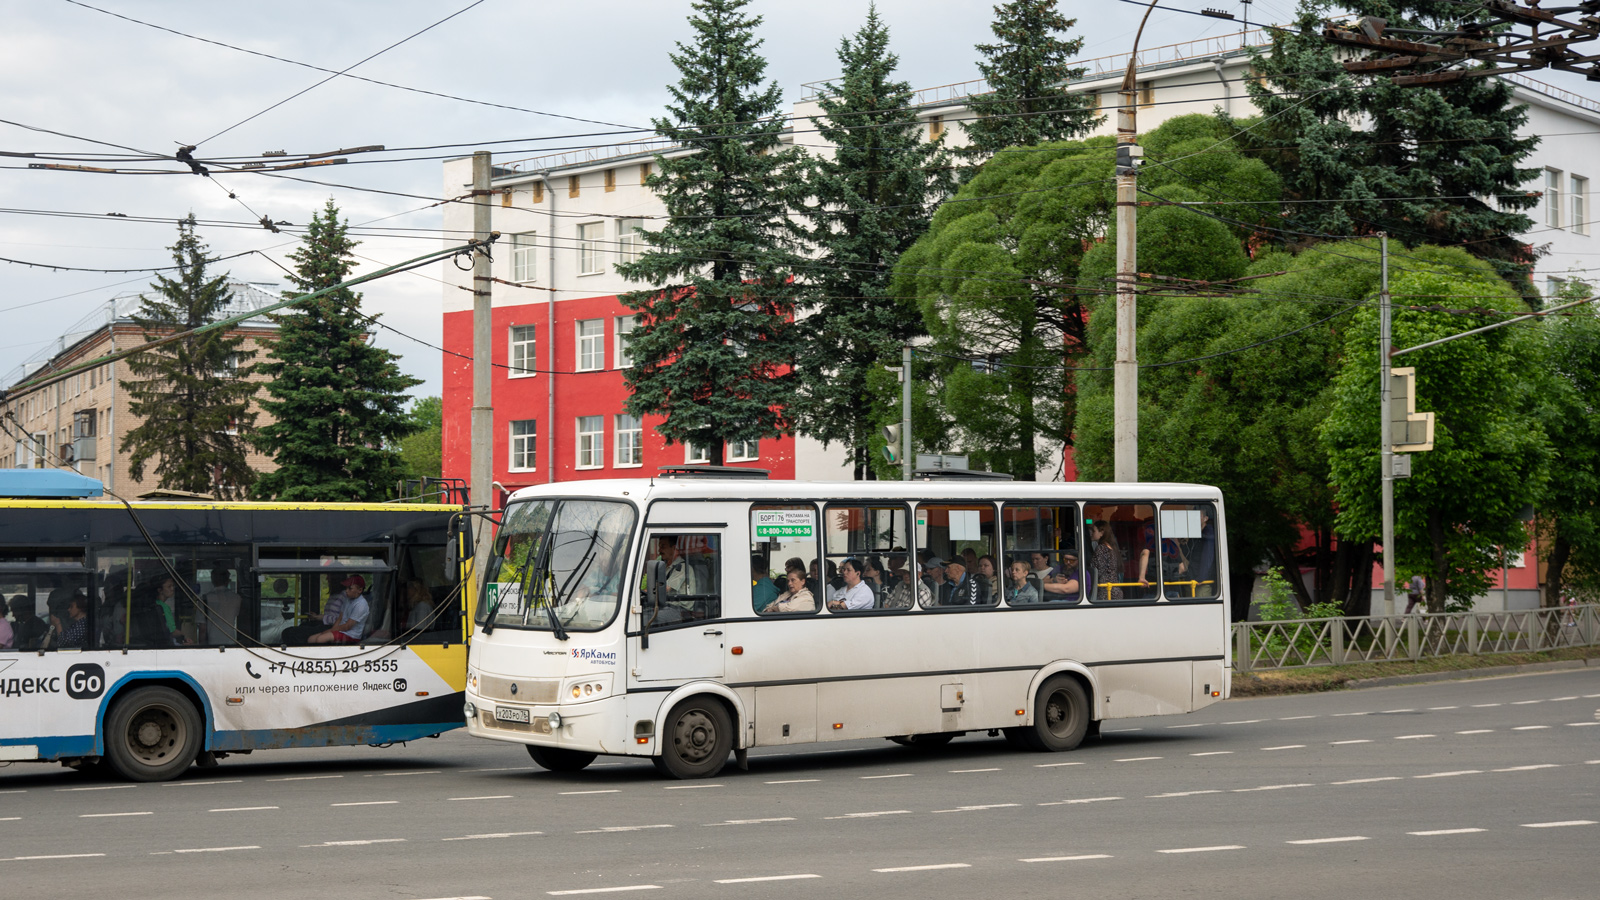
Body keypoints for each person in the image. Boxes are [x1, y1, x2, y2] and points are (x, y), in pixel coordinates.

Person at [286, 575, 371, 645]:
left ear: (360, 590)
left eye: (350, 588)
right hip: (340, 630)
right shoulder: (347, 600)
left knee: (320, 638)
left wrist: (330, 631)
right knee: (311, 639)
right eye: (346, 588)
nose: (346, 591)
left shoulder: (361, 605)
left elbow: (347, 626)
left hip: (351, 635)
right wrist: (331, 630)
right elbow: (340, 618)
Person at [198, 568, 243, 645]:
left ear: (212, 580)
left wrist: (201, 647)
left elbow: (202, 628)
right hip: (231, 641)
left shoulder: (205, 599)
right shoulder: (236, 598)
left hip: (212, 643)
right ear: (227, 581)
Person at [1089, 520, 1122, 601]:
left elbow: (1098, 570)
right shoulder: (1111, 548)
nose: (1091, 533)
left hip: (1105, 591)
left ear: (1102, 533)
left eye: (1094, 531)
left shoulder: (1101, 548)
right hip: (1115, 589)